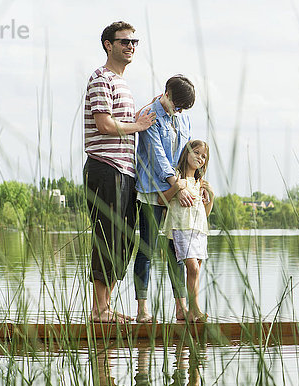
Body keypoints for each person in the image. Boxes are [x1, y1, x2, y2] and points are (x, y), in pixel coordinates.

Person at [83, 21, 156, 323]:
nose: (130, 46)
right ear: (108, 45)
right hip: (105, 167)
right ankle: (100, 310)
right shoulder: (102, 78)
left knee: (124, 239)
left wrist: (145, 115)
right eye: (124, 41)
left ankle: (106, 307)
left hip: (126, 173)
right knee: (106, 236)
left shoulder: (123, 83)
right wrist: (137, 126)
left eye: (134, 42)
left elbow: (122, 121)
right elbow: (104, 124)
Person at [133, 75, 196, 323]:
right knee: (147, 247)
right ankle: (142, 309)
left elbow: (185, 153)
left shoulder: (183, 117)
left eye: (183, 108)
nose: (178, 111)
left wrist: (191, 183)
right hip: (152, 190)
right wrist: (176, 186)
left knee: (176, 249)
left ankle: (181, 307)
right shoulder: (151, 114)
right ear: (167, 94)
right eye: (177, 105)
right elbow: (157, 155)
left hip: (178, 188)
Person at [160, 140, 214, 323]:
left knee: (196, 270)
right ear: (187, 153)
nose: (200, 157)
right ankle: (195, 308)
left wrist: (211, 198)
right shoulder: (176, 176)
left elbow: (204, 214)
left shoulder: (201, 183)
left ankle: (192, 310)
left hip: (199, 230)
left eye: (204, 156)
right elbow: (161, 201)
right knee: (192, 267)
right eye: (197, 152)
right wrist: (176, 187)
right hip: (181, 228)